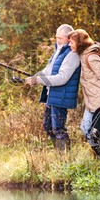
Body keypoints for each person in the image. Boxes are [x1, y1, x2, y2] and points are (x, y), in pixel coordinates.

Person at [25, 24, 81, 152]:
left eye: (60, 38)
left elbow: (62, 78)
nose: (57, 40)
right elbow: (48, 70)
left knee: (58, 129)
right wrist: (34, 78)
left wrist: (39, 80)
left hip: (61, 96)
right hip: (52, 95)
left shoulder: (72, 54)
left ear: (69, 38)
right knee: (48, 127)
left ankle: (65, 159)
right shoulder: (59, 51)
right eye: (56, 37)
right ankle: (59, 154)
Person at [67, 29, 100, 158]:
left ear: (79, 43)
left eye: (71, 42)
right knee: (86, 129)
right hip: (91, 101)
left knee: (94, 131)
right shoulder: (82, 55)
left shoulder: (91, 57)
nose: (69, 44)